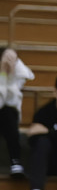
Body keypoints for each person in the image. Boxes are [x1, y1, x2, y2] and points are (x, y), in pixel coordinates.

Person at [0, 45, 33, 175]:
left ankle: (16, 161)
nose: (11, 61)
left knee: (8, 113)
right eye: (7, 58)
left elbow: (13, 103)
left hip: (8, 119)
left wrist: (12, 73)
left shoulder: (17, 75)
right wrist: (3, 74)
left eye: (14, 58)